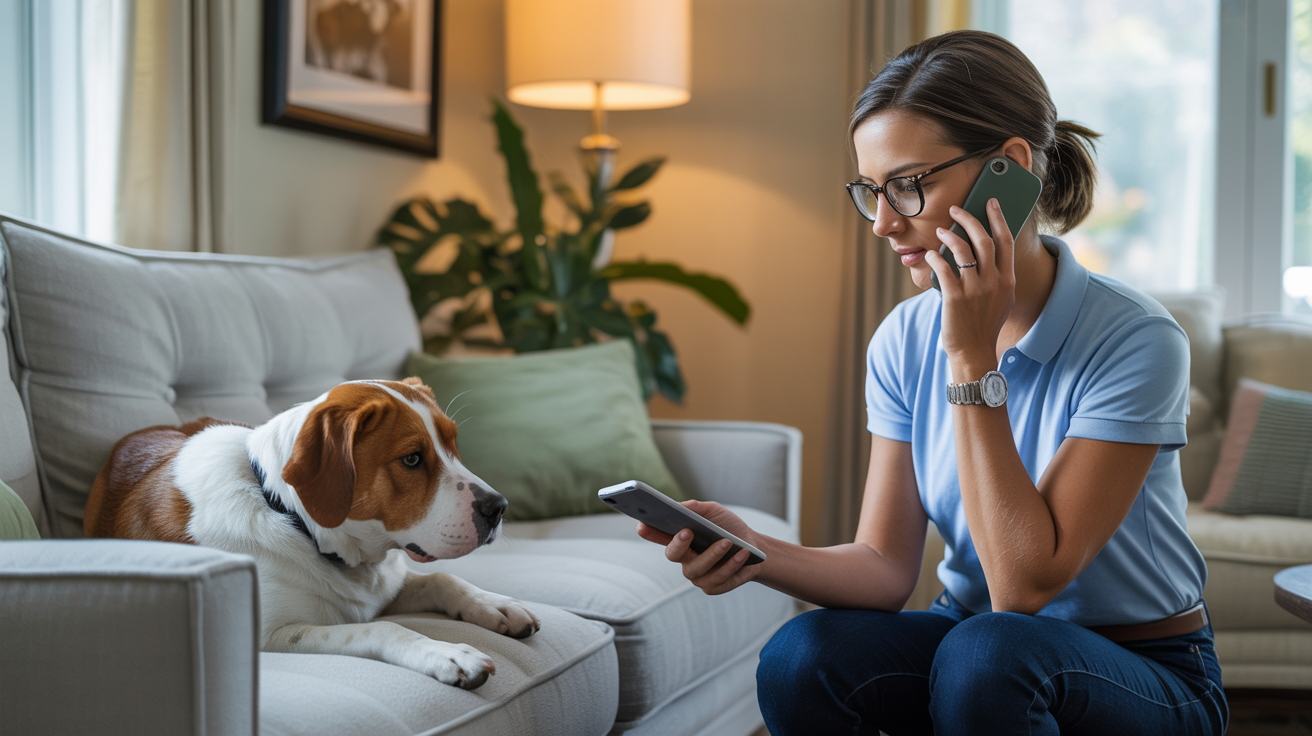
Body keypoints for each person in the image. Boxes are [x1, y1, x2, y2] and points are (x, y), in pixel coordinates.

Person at [634, 30, 1228, 736]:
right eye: (870, 192)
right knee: (802, 655)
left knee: (990, 655)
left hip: (1148, 669)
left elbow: (1022, 585)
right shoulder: (902, 336)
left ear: (1008, 169)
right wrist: (754, 551)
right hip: (975, 650)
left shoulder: (1136, 338)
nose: (884, 223)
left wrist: (971, 356)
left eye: (910, 185)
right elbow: (885, 568)